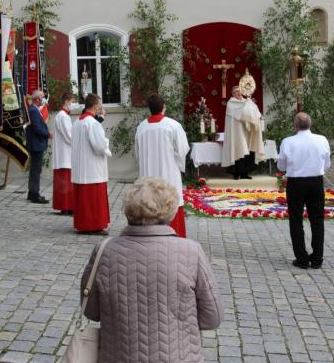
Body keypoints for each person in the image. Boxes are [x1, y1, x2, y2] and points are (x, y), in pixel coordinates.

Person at [80, 177, 223, 362]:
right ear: (170, 210)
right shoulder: (191, 252)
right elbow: (212, 318)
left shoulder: (104, 251)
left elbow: (91, 311)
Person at [277, 113, 331, 270]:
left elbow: (281, 166)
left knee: (296, 219)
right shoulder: (322, 140)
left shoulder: (288, 142)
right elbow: (327, 164)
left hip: (296, 183)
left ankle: (301, 257)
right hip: (316, 181)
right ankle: (317, 257)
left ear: (295, 125)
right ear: (311, 123)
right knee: (317, 219)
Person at [134, 94, 190, 238]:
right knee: (169, 200)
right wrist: (177, 162)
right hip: (169, 172)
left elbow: (137, 152)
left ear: (149, 109)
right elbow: (183, 149)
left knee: (149, 202)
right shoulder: (173, 125)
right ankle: (174, 233)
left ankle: (149, 234)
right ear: (163, 107)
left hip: (148, 174)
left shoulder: (141, 127)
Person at [71, 93, 112, 235]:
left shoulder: (77, 122)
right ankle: (95, 225)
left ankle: (83, 224)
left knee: (84, 199)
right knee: (94, 198)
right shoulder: (92, 123)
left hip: (80, 166)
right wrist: (107, 142)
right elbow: (99, 145)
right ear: (94, 106)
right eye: (99, 106)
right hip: (92, 166)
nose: (99, 109)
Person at [221, 85, 265, 180]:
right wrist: (248, 104)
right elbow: (241, 113)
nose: (239, 92)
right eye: (236, 91)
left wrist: (249, 103)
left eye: (240, 91)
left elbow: (255, 112)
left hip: (247, 131)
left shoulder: (247, 102)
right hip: (236, 132)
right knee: (238, 150)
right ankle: (236, 173)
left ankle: (245, 173)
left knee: (248, 150)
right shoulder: (231, 103)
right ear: (233, 93)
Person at [52, 92, 76, 214]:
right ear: (67, 101)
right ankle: (66, 207)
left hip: (64, 154)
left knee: (65, 181)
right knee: (65, 181)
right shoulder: (63, 116)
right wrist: (78, 143)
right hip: (65, 154)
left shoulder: (62, 116)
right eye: (72, 101)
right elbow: (69, 136)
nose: (73, 104)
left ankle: (67, 206)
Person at [26, 89, 50, 204]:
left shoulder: (35, 109)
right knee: (36, 170)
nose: (44, 99)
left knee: (36, 169)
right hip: (36, 144)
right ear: (37, 99)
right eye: (42, 97)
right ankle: (34, 194)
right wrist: (48, 134)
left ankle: (32, 192)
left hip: (37, 144)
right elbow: (37, 128)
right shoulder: (33, 110)